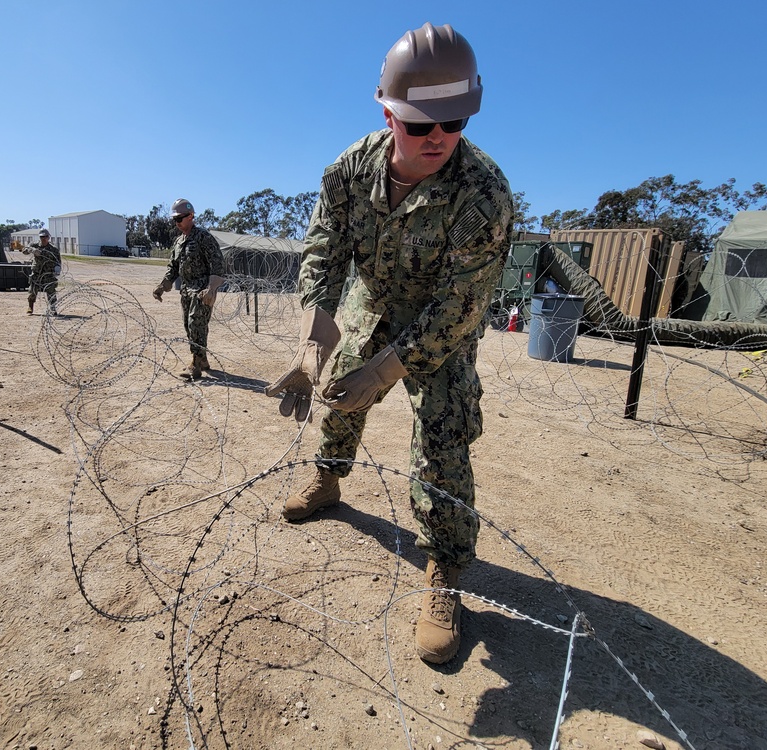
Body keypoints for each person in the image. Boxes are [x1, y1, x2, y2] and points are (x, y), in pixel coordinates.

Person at [265, 23, 514, 664]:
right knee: (338, 398)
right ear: (388, 112)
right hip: (372, 303)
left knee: (444, 437)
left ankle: (444, 570)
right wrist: (311, 340)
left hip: (441, 327)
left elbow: (461, 305)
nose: (438, 139)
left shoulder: (483, 195)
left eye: (453, 122)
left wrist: (391, 368)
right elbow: (324, 251)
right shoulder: (349, 171)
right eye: (420, 125)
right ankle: (327, 479)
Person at [153, 199, 225, 380]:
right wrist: (163, 286)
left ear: (191, 216)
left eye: (180, 219)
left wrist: (212, 288)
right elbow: (173, 267)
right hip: (186, 290)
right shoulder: (178, 242)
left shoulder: (203, 237)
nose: (177, 223)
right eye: (174, 220)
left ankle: (195, 365)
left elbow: (217, 263)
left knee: (196, 324)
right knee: (189, 325)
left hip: (202, 290)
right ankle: (203, 360)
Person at [22, 229, 61, 315]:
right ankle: (30, 306)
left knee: (51, 291)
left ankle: (52, 308)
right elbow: (24, 250)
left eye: (45, 237)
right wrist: (31, 250)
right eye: (42, 237)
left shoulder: (53, 249)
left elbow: (58, 261)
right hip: (37, 272)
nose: (43, 238)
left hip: (48, 273)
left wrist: (57, 270)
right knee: (33, 290)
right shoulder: (34, 245)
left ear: (48, 237)